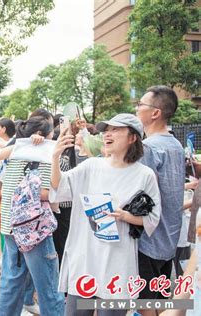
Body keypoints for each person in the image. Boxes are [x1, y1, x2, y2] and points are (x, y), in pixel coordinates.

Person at [50, 113, 161, 316]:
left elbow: (153, 218)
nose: (108, 135)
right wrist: (55, 156)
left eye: (116, 130)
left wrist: (124, 216)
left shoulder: (145, 174)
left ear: (132, 137)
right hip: (84, 260)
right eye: (106, 130)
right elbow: (60, 186)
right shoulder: (92, 166)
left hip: (117, 263)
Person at [0, 110, 65, 316]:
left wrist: (21, 141)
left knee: (10, 284)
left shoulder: (16, 151)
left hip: (10, 227)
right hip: (35, 231)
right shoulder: (46, 154)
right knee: (49, 288)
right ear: (43, 133)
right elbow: (48, 192)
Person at [136, 86, 185, 315]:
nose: (137, 109)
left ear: (155, 112)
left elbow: (142, 198)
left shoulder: (149, 147)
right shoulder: (175, 144)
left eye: (141, 105)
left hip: (148, 240)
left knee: (145, 305)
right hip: (169, 240)